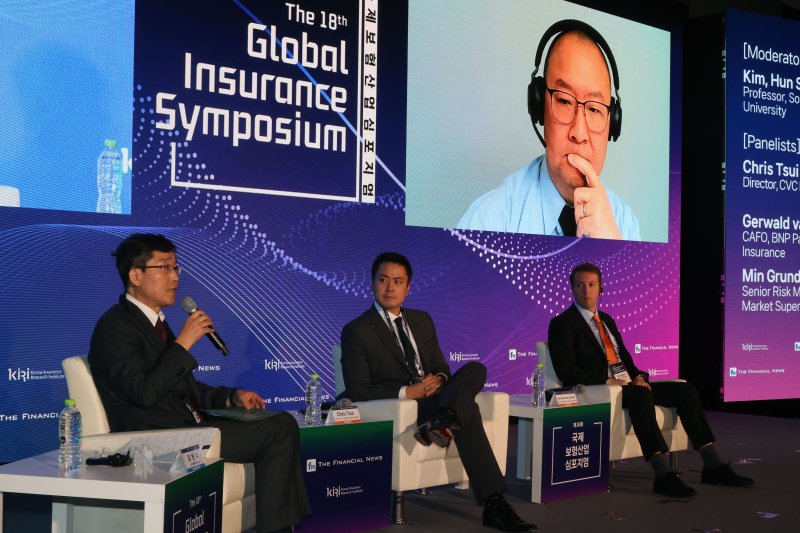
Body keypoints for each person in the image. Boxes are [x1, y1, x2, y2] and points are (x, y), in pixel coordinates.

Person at [88, 233, 310, 533]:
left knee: (277, 421)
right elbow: (143, 392)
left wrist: (232, 396)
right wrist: (182, 344)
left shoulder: (154, 323)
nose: (175, 277)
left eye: (176, 268)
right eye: (165, 267)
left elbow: (184, 389)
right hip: (156, 437)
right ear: (136, 275)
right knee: (279, 429)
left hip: (186, 426)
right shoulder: (115, 328)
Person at [339, 252, 536, 532]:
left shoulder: (421, 320)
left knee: (476, 369)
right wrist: (410, 391)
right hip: (406, 408)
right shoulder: (357, 330)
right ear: (372, 283)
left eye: (398, 281)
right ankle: (494, 503)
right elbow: (358, 389)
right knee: (468, 409)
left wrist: (440, 380)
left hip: (437, 399)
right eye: (383, 280)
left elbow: (442, 367)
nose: (390, 288)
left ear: (408, 287)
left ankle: (444, 418)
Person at [548, 262, 754, 497]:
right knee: (640, 395)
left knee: (685, 390)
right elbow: (566, 370)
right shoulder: (562, 323)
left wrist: (638, 377)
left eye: (591, 284)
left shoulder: (607, 320)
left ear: (600, 288)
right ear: (572, 288)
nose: (586, 290)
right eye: (580, 285)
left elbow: (624, 359)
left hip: (627, 386)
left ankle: (713, 464)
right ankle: (663, 474)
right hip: (600, 391)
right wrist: (606, 380)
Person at [458, 20, 640, 240]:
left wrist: (613, 249)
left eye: (594, 109)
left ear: (613, 123)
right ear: (539, 107)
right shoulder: (486, 223)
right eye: (564, 101)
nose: (579, 133)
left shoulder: (625, 226)